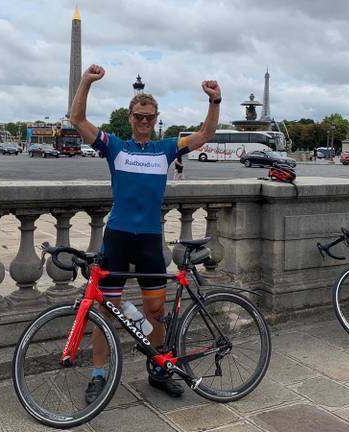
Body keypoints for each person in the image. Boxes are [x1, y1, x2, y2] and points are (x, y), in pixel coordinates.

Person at [69, 63, 221, 404]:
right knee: (105, 311)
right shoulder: (115, 147)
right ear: (130, 117)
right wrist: (85, 82)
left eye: (150, 117)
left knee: (155, 311)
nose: (144, 122)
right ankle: (97, 375)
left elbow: (205, 135)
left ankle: (158, 368)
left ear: (156, 119)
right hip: (118, 237)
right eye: (139, 116)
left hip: (151, 239)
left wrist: (215, 102)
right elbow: (77, 120)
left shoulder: (165, 148)